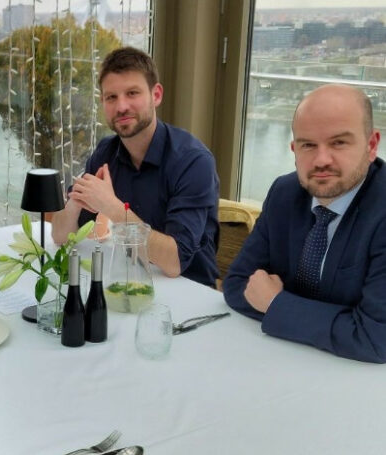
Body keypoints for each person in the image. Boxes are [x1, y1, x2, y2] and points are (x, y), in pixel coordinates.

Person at [223, 84, 386, 363]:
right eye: (308, 144)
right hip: (281, 360)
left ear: (371, 146)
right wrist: (335, 325)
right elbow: (238, 285)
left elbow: (376, 337)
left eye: (338, 142)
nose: (321, 160)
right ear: (293, 149)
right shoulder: (284, 193)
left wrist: (277, 304)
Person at [51, 47, 219, 287]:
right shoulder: (106, 151)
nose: (121, 107)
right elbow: (60, 236)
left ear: (156, 95)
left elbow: (174, 262)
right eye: (111, 97)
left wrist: (111, 206)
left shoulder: (193, 161)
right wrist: (77, 201)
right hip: (131, 281)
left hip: (188, 291)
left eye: (132, 93)